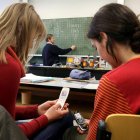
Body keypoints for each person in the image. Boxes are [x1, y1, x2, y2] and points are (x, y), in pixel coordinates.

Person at [63, 3, 140, 140]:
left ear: (104, 38)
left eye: (95, 47)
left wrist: (94, 127)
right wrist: (95, 122)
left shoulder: (113, 81)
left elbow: (94, 137)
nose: (98, 53)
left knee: (69, 133)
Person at [0, 3, 73, 140]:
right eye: (33, 39)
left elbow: (4, 117)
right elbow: (8, 134)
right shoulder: (8, 65)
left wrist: (36, 110)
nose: (31, 44)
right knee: (66, 118)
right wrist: (46, 118)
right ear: (22, 33)